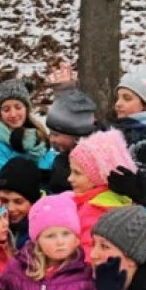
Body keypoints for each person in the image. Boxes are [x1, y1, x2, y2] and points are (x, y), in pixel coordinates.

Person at [66, 129, 137, 261]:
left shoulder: (94, 209)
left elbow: (89, 253)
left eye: (77, 173)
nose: (70, 178)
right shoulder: (117, 200)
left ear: (98, 177)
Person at [0, 79, 55, 185]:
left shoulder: (38, 135)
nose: (13, 114)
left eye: (18, 107)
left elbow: (50, 162)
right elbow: (1, 183)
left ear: (26, 108)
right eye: (6, 110)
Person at [43, 67, 98, 195]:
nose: (52, 140)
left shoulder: (90, 162)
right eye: (51, 133)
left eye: (56, 134)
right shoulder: (64, 156)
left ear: (76, 134)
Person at [0, 157, 42, 250]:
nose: (10, 208)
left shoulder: (43, 234)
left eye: (18, 202)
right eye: (4, 200)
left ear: (33, 201)